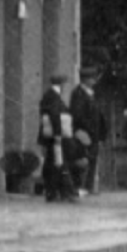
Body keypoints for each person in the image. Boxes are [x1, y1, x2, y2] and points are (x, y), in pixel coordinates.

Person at [38, 74, 78, 203]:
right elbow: (55, 116)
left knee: (55, 164)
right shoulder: (53, 97)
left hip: (53, 136)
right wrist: (58, 135)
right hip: (57, 138)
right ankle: (65, 192)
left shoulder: (50, 96)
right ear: (61, 84)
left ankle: (55, 192)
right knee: (60, 164)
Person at [69, 64, 105, 194]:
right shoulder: (79, 93)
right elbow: (78, 115)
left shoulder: (90, 93)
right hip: (84, 132)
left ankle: (88, 187)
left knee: (92, 159)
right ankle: (81, 187)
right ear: (84, 79)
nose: (94, 80)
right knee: (84, 158)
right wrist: (88, 128)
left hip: (92, 133)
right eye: (91, 78)